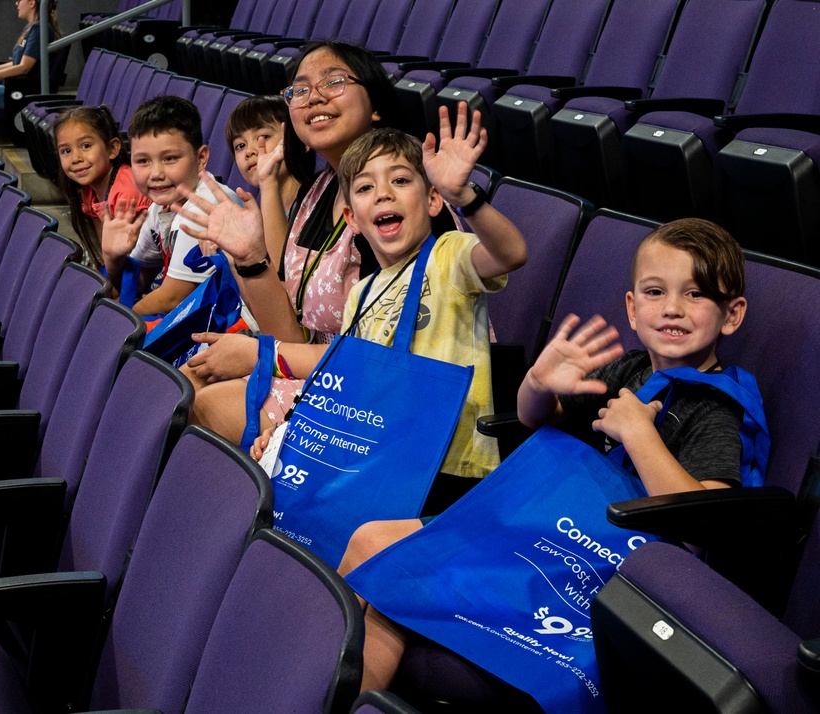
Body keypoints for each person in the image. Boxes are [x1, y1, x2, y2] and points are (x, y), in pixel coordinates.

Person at [337, 217, 750, 692]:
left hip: (593, 573)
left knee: (390, 566)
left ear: (732, 314)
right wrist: (537, 383)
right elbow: (537, 418)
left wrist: (640, 434)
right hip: (543, 537)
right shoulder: (629, 369)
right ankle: (342, 695)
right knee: (371, 543)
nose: (673, 308)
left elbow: (703, 525)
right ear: (632, 310)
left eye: (695, 294)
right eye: (655, 292)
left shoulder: (718, 408)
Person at [176, 41, 442, 442]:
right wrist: (249, 259)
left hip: (383, 395)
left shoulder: (392, 200)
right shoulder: (319, 189)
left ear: (375, 105)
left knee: (208, 407)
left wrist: (262, 356)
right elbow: (292, 328)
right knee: (183, 383)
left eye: (334, 81)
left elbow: (382, 361)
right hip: (324, 367)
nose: (314, 96)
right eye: (300, 89)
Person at [99, 95, 242, 316]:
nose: (156, 174)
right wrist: (112, 258)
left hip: (242, 329)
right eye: (143, 161)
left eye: (170, 158)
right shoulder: (160, 205)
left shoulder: (205, 208)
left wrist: (117, 327)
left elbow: (172, 298)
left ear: (201, 158)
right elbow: (136, 281)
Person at [53, 104, 151, 267]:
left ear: (112, 148)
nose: (75, 158)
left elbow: (133, 261)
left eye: (86, 146)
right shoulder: (89, 190)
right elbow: (107, 254)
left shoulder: (127, 191)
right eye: (66, 151)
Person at [224, 95, 301, 262]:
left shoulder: (314, 208)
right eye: (240, 145)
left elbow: (288, 279)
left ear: (297, 137)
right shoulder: (259, 219)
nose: (249, 151)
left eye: (264, 136)